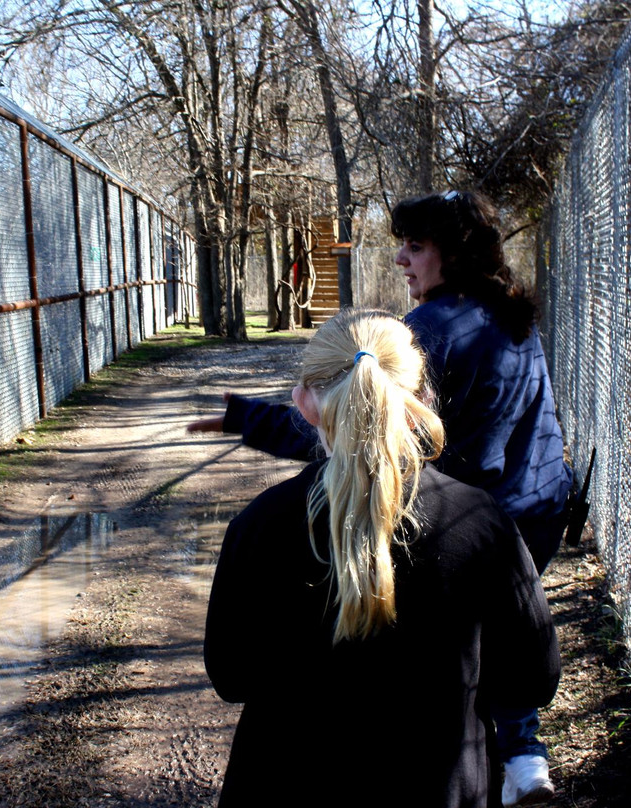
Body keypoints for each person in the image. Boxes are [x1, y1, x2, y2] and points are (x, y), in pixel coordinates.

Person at [190, 191, 572, 806]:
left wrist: (247, 419)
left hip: (420, 520)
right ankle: (521, 753)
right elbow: (533, 669)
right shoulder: (513, 319)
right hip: (510, 515)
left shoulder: (429, 331)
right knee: (469, 648)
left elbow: (231, 674)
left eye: (415, 246)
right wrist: (506, 523)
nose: (400, 258)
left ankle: (501, 748)